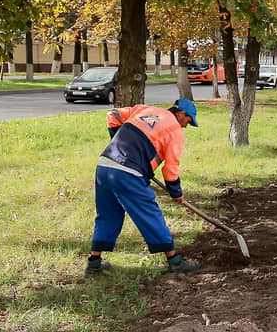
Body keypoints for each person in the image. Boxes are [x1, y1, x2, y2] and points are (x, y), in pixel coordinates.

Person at [85, 98, 202, 277]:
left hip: (105, 165)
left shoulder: (144, 110)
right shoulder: (175, 131)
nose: (187, 125)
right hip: (128, 173)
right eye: (188, 120)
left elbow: (113, 115)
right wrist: (176, 193)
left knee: (107, 215)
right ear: (180, 114)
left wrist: (119, 144)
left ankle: (93, 264)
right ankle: (175, 262)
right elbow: (171, 170)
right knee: (150, 214)